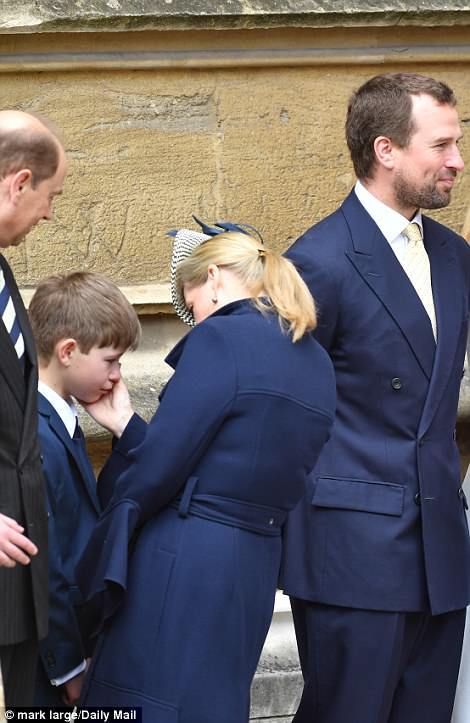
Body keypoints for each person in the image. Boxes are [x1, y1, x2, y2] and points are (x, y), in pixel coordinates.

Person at [75, 228, 336, 721]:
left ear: (213, 278)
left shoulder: (221, 338)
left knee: (144, 703)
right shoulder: (316, 359)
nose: (194, 319)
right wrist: (128, 426)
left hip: (184, 563)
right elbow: (223, 463)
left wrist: (94, 579)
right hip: (251, 569)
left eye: (191, 305)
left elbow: (160, 470)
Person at [279, 72, 470, 723]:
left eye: (458, 142)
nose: (457, 160)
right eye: (441, 144)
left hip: (440, 549)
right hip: (350, 556)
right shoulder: (318, 261)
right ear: (386, 149)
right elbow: (281, 417)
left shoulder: (454, 256)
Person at [27, 271, 142, 707]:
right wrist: (70, 665)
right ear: (68, 351)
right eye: (111, 360)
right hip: (52, 663)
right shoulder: (35, 437)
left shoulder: (60, 420)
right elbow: (45, 561)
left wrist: (121, 426)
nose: (117, 376)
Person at [0, 110, 67, 706]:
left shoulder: (2, 271)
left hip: (19, 592)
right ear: (19, 183)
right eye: (50, 196)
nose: (49, 212)